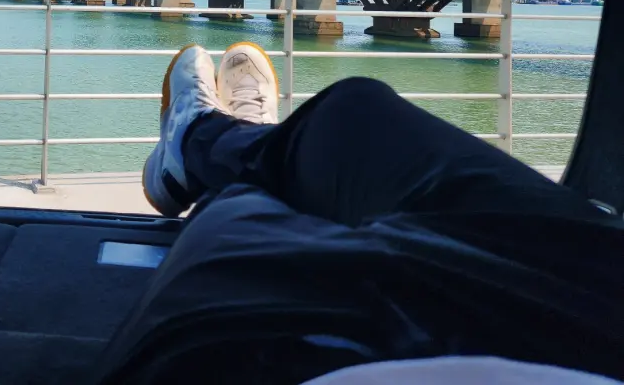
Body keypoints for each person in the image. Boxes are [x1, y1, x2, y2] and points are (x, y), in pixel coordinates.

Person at [95, 44, 624, 384]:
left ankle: (206, 141)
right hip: (601, 290)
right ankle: (230, 147)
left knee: (245, 212)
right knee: (354, 108)